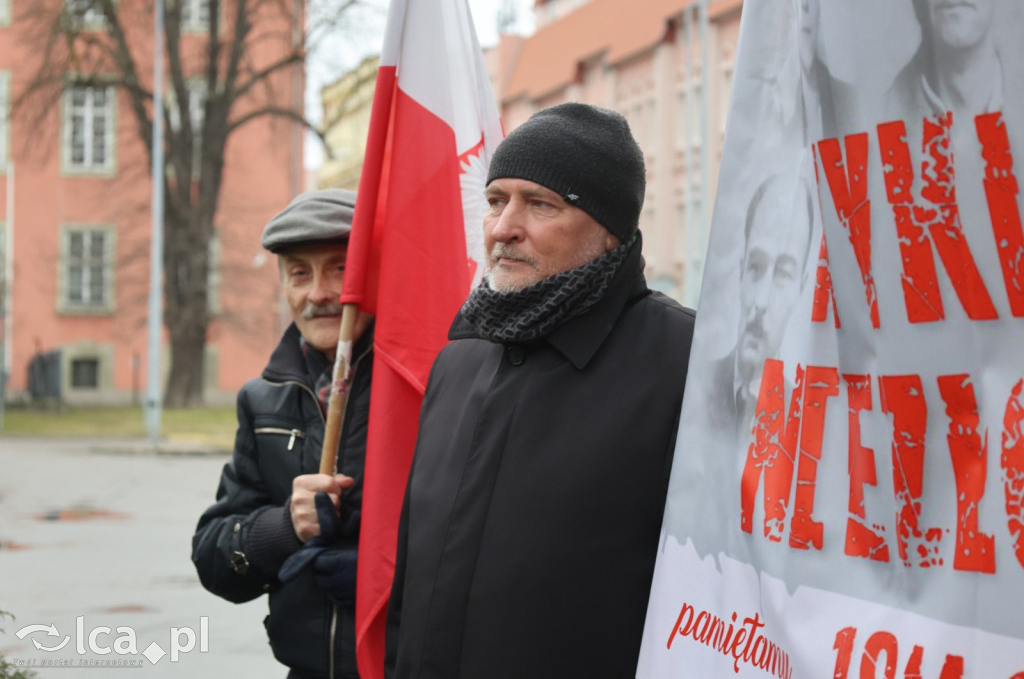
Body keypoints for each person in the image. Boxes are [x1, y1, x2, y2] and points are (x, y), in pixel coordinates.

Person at [384, 103, 697, 678]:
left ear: (608, 230)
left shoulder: (689, 364)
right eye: (497, 200)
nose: (504, 227)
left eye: (540, 203)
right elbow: (411, 577)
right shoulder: (458, 359)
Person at [192, 189, 373, 679]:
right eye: (299, 272)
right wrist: (284, 530)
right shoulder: (262, 400)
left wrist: (388, 579)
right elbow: (214, 558)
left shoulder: (429, 388)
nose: (318, 293)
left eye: (340, 268)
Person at [706, 172, 814, 439]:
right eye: (756, 267)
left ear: (800, 290)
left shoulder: (805, 421)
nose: (761, 302)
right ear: (741, 272)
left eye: (782, 274)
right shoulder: (696, 388)